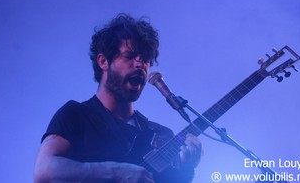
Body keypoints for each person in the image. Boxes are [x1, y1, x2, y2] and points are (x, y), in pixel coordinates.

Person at [34, 13, 203, 183]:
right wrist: (117, 172)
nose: (140, 64)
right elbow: (44, 171)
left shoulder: (162, 135)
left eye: (145, 59)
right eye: (130, 56)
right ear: (103, 62)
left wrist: (187, 168)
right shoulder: (77, 115)